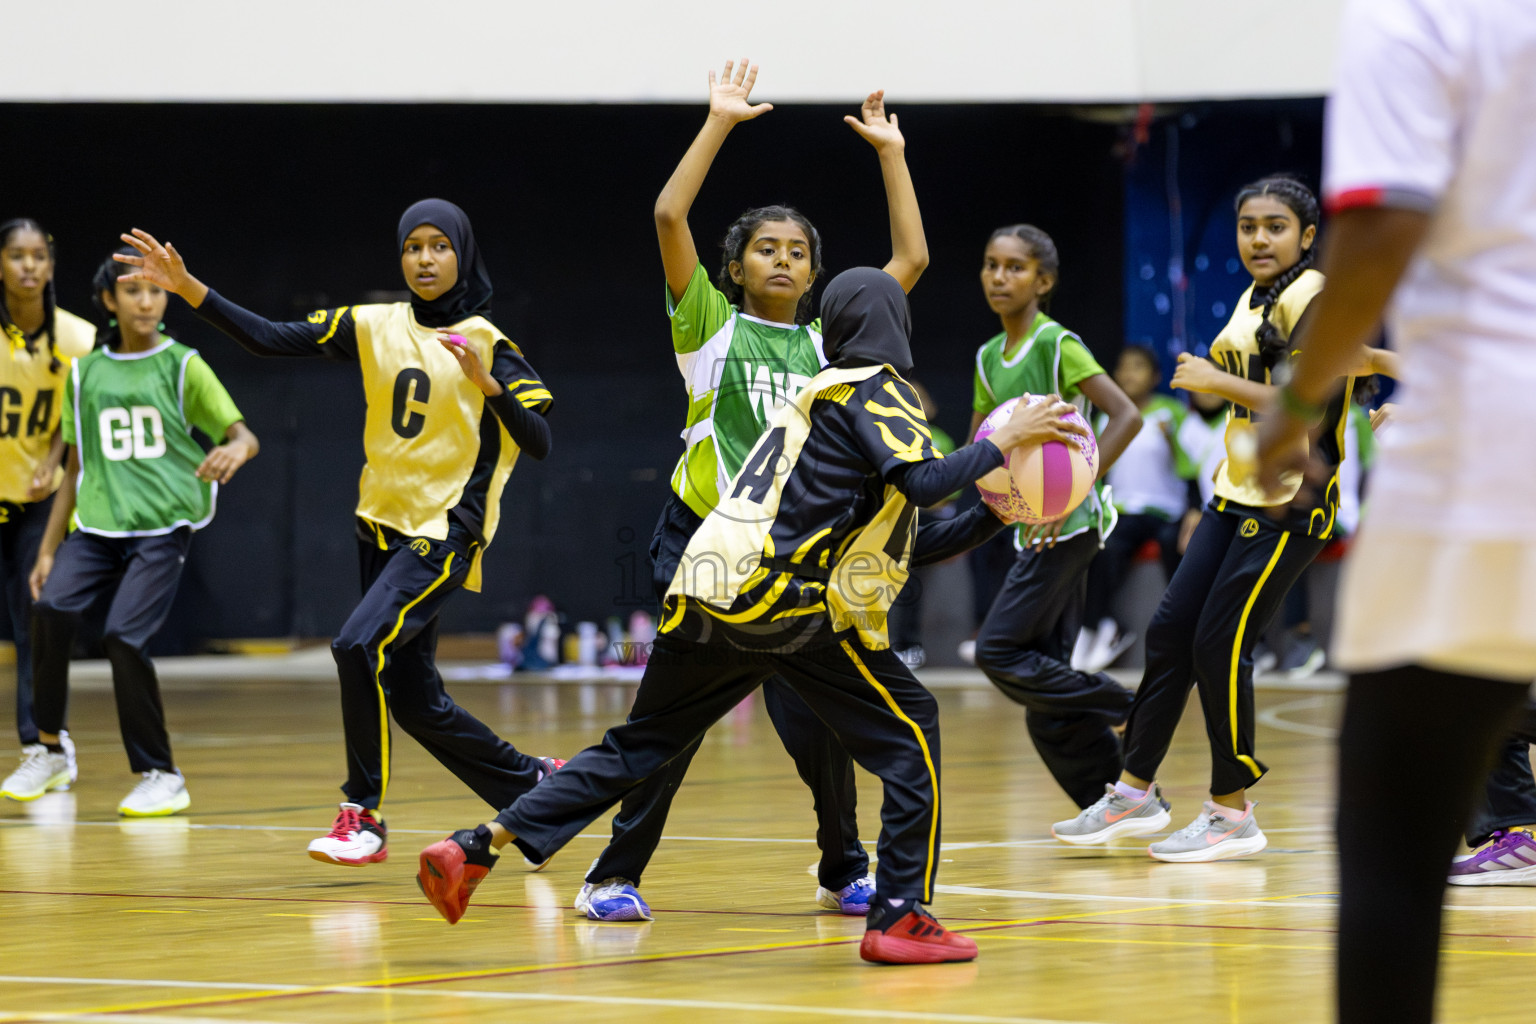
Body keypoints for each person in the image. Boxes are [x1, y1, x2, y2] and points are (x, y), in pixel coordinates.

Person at [416, 267, 1088, 964]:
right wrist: (1002, 446)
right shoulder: (879, 387)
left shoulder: (816, 396)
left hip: (712, 586)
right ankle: (900, 915)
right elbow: (919, 482)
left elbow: (910, 538)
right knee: (912, 728)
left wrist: (993, 513)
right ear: (894, 324)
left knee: (638, 746)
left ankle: (475, 847)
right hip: (785, 601)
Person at [574, 59, 930, 922]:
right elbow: (668, 213)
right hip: (700, 546)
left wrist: (891, 154)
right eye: (766, 249)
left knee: (822, 728)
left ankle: (842, 866)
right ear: (734, 267)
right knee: (674, 721)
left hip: (790, 559)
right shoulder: (707, 327)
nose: (783, 259)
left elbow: (911, 257)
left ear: (815, 277)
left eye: (798, 252)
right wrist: (720, 123)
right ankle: (612, 876)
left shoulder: (829, 352)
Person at [116, 200, 560, 859]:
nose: (425, 258)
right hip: (379, 527)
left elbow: (541, 440)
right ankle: (539, 787)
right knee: (414, 700)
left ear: (462, 254)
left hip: (444, 531)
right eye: (413, 247)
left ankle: (363, 814)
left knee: (355, 644)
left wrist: (489, 385)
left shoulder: (489, 343)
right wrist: (188, 289)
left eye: (440, 246)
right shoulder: (374, 324)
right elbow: (268, 337)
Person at [1252, 1, 1536, 1017]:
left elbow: (1379, 227)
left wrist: (1293, 407)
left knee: (1392, 843)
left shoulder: (1415, 15)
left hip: (1491, 447)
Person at [1053, 176, 1356, 861]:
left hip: (1291, 508)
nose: (1258, 238)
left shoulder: (1314, 298)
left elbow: (1301, 400)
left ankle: (1232, 810)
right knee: (1169, 633)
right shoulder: (1259, 297)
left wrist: (1216, 383)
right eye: (1248, 226)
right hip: (1235, 493)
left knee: (1220, 646)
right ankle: (1132, 791)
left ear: (1307, 237)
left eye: (1275, 226)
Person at [6, 248, 258, 815]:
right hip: (97, 524)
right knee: (49, 611)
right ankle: (49, 749)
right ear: (108, 301)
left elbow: (243, 435)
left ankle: (161, 772)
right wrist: (47, 550)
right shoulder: (86, 373)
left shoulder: (184, 365)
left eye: (156, 292)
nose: (147, 301)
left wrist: (231, 450)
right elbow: (74, 469)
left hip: (162, 526)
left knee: (124, 637)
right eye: (134, 291)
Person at [967, 224, 1143, 811]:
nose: (999, 276)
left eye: (1015, 267)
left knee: (998, 652)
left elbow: (1125, 415)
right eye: (992, 265)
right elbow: (978, 449)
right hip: (1030, 531)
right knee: (1047, 705)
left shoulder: (1056, 343)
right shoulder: (989, 358)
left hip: (1070, 527)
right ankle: (1122, 803)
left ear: (1043, 281)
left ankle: (1131, 708)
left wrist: (1069, 493)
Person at [0, 220, 94, 799]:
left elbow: (81, 426)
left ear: (51, 267)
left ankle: (44, 745)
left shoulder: (78, 340)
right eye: (16, 256)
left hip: (41, 502)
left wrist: (55, 455)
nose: (29, 267)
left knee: (34, 624)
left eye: (39, 256)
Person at [1077, 344, 1200, 673]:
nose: (1129, 373)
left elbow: (1191, 467)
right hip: (1120, 510)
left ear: (1156, 377)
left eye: (1139, 366)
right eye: (1123, 366)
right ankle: (1101, 626)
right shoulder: (1106, 417)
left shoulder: (1171, 413)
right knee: (1100, 547)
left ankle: (1187, 637)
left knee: (1174, 548)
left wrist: (1172, 440)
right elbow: (1097, 473)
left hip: (1166, 511)